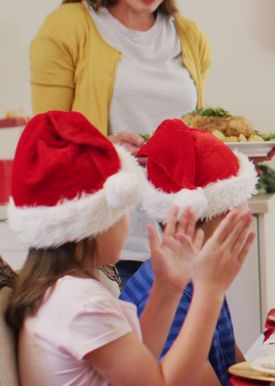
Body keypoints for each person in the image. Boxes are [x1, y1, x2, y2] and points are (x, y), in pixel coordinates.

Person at [29, 0, 216, 285]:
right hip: (103, 247)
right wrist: (105, 150)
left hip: (182, 238)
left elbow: (194, 134)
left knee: (202, 349)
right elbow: (44, 140)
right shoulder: (68, 28)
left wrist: (234, 157)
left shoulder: (189, 36)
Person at [4, 111, 254, 386]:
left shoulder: (65, 291)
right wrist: (210, 292)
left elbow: (141, 356)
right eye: (124, 211)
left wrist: (168, 287)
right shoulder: (81, 302)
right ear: (95, 223)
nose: (127, 222)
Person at [120, 119, 259, 385]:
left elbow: (235, 366)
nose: (244, 220)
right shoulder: (167, 297)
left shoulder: (201, 273)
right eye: (234, 216)